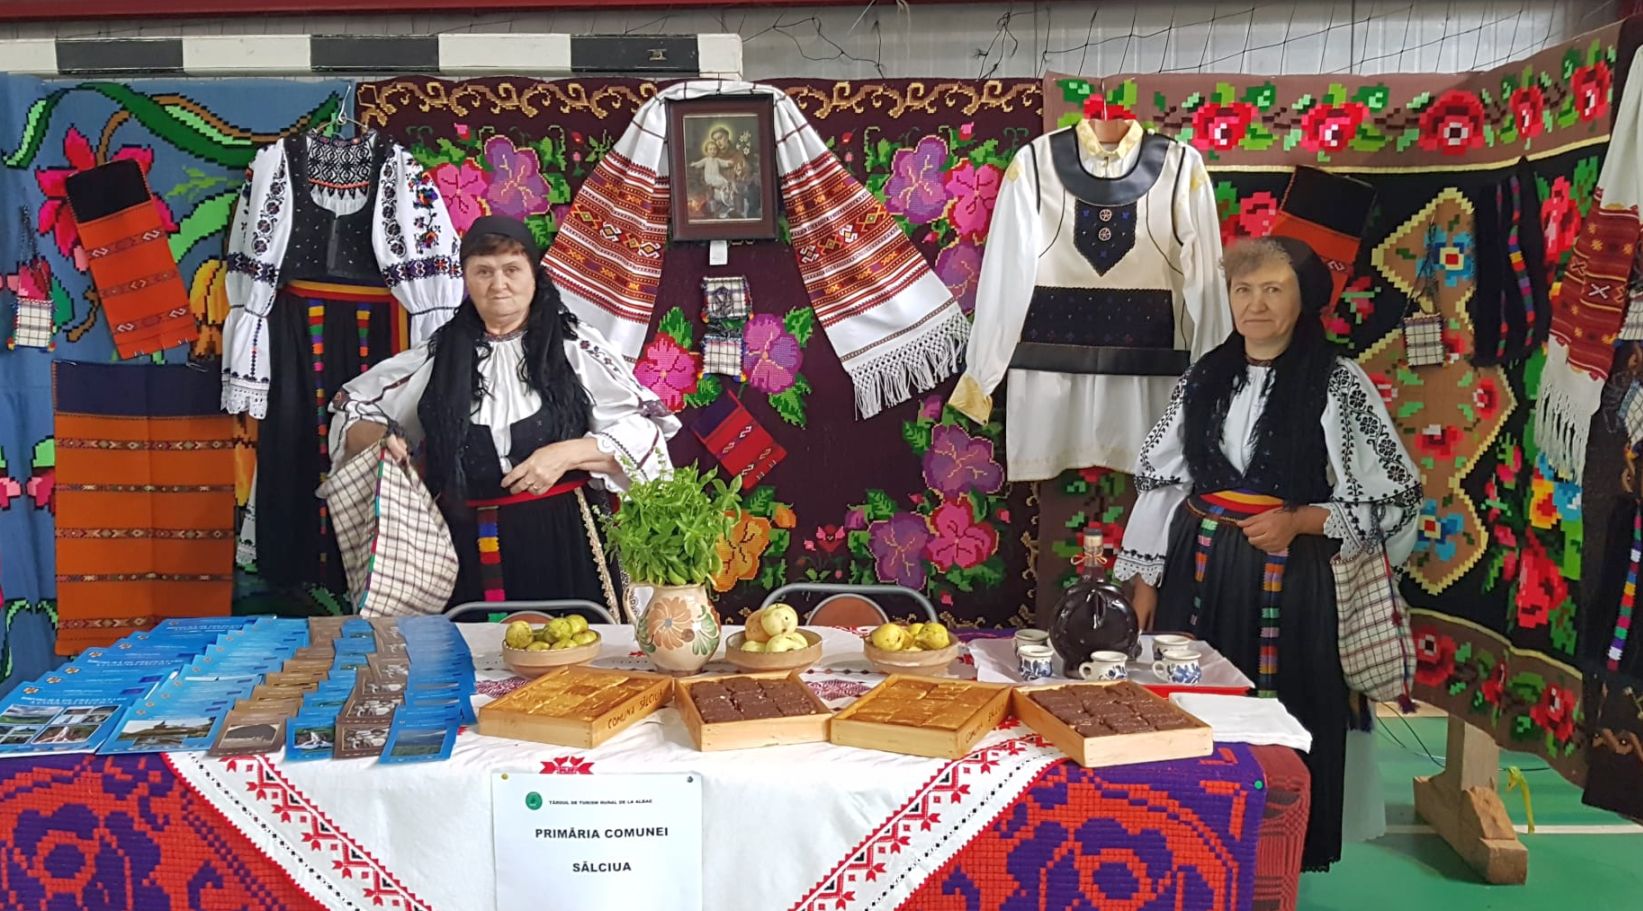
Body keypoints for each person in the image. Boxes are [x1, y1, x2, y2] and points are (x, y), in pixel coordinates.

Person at [1115, 236, 1420, 871]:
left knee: (1285, 707)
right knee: (1190, 699)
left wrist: (1302, 520)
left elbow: (1397, 495)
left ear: (1303, 299)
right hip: (1198, 568)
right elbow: (1163, 481)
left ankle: (1276, 857)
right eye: (1243, 290)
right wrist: (1143, 579)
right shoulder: (1204, 377)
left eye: (1273, 290)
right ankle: (1188, 842)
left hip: (1293, 577)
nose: (1255, 305)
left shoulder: (1338, 381)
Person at [328, 215, 678, 615]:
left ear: (534, 275)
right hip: (466, 547)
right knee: (473, 648)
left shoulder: (575, 345)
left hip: (563, 541)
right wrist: (381, 439)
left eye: (512, 269)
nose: (498, 284)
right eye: (483, 271)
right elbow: (352, 406)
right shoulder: (438, 355)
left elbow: (644, 430)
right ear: (466, 278)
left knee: (573, 645)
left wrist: (566, 454)